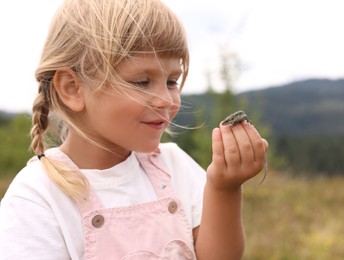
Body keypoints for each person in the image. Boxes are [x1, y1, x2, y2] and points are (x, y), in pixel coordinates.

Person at [0, 0, 268, 259]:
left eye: (172, 81)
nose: (167, 99)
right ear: (72, 88)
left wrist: (224, 189)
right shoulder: (38, 196)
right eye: (141, 82)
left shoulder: (174, 166)